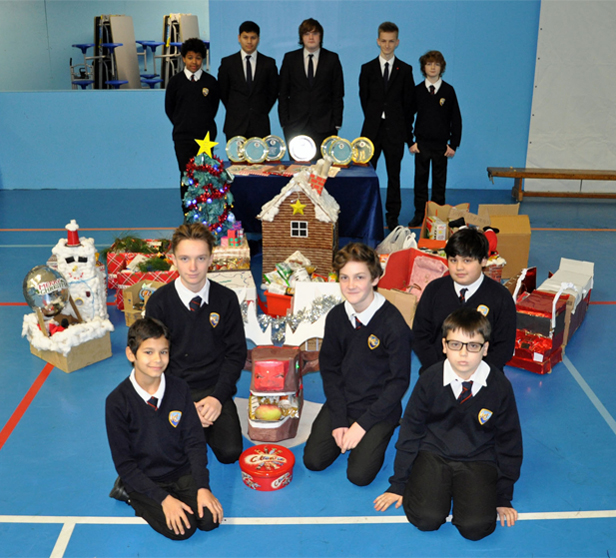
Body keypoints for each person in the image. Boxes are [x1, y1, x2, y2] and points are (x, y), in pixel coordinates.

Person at [374, 308, 523, 541]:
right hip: (433, 453)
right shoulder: (430, 380)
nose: (463, 353)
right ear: (444, 346)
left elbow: (509, 441)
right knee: (426, 519)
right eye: (455, 344)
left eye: (473, 345)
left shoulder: (499, 386)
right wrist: (399, 483)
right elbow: (410, 432)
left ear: (485, 349)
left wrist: (502, 496)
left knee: (476, 527)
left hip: (478, 458)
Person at [303, 242, 412, 486]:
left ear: (375, 278)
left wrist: (362, 426)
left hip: (380, 405)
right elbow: (330, 369)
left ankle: (387, 426)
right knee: (313, 461)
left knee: (359, 476)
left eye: (359, 277)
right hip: (344, 399)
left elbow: (399, 382)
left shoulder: (393, 325)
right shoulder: (336, 317)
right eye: (344, 277)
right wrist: (340, 419)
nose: (351, 285)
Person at [105, 317, 223, 540]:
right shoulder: (117, 402)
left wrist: (202, 487)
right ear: (131, 354)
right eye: (148, 352)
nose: (157, 360)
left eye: (163, 352)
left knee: (209, 520)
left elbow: (195, 442)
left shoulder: (179, 388)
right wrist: (163, 499)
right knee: (183, 530)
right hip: (146, 477)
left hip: (180, 471)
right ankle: (129, 493)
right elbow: (125, 464)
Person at [146, 223, 247, 464]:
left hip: (213, 388)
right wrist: (183, 404)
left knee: (230, 453)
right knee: (175, 455)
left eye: (201, 258)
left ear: (211, 258)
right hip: (175, 389)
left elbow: (235, 354)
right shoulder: (159, 303)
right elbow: (152, 363)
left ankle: (198, 426)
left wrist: (218, 398)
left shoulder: (226, 299)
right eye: (185, 258)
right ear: (173, 259)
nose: (193, 267)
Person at [412, 227, 516, 374]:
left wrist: (474, 375)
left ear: (484, 260)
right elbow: (420, 335)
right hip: (437, 372)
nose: (459, 267)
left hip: (484, 376)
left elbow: (504, 347)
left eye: (467, 260)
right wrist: (440, 370)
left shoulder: (501, 298)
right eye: (453, 260)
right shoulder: (434, 290)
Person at [359, 22, 415, 231]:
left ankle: (392, 216)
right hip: (372, 130)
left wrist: (399, 124)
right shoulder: (367, 69)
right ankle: (365, 214)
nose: (387, 45)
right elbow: (364, 98)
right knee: (366, 175)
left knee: (394, 175)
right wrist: (375, 117)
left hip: (395, 131)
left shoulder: (405, 70)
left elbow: (408, 104)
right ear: (378, 41)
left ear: (397, 42)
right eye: (383, 40)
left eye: (391, 41)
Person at [408, 50, 462, 228]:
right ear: (424, 67)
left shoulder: (448, 90)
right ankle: (419, 215)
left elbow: (456, 119)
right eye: (429, 64)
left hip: (441, 146)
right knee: (420, 181)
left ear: (442, 68)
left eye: (437, 64)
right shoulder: (417, 91)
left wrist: (453, 144)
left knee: (439, 182)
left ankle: (439, 215)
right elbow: (407, 117)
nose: (433, 67)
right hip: (422, 145)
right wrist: (410, 141)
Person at [165, 38, 220, 209]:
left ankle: (205, 210)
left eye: (197, 58)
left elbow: (213, 108)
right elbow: (170, 109)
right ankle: (188, 211)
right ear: (183, 58)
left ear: (203, 59)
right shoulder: (175, 82)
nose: (194, 62)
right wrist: (183, 125)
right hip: (183, 139)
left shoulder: (210, 82)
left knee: (205, 175)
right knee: (186, 174)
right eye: (190, 57)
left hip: (205, 139)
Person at [278, 18, 344, 153]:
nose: (311, 37)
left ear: (321, 36)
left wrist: (336, 123)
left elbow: (338, 93)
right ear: (301, 37)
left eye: (315, 33)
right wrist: (285, 123)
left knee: (322, 170)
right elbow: (283, 93)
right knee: (298, 170)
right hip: (295, 125)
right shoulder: (290, 59)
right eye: (307, 33)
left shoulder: (332, 59)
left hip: (325, 125)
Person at [218, 21, 279, 141]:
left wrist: (260, 109)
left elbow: (273, 92)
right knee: (236, 160)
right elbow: (223, 91)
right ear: (239, 38)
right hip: (235, 125)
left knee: (259, 160)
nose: (249, 41)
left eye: (253, 38)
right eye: (245, 37)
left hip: (259, 125)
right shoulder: (228, 63)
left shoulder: (268, 63)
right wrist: (236, 108)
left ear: (258, 39)